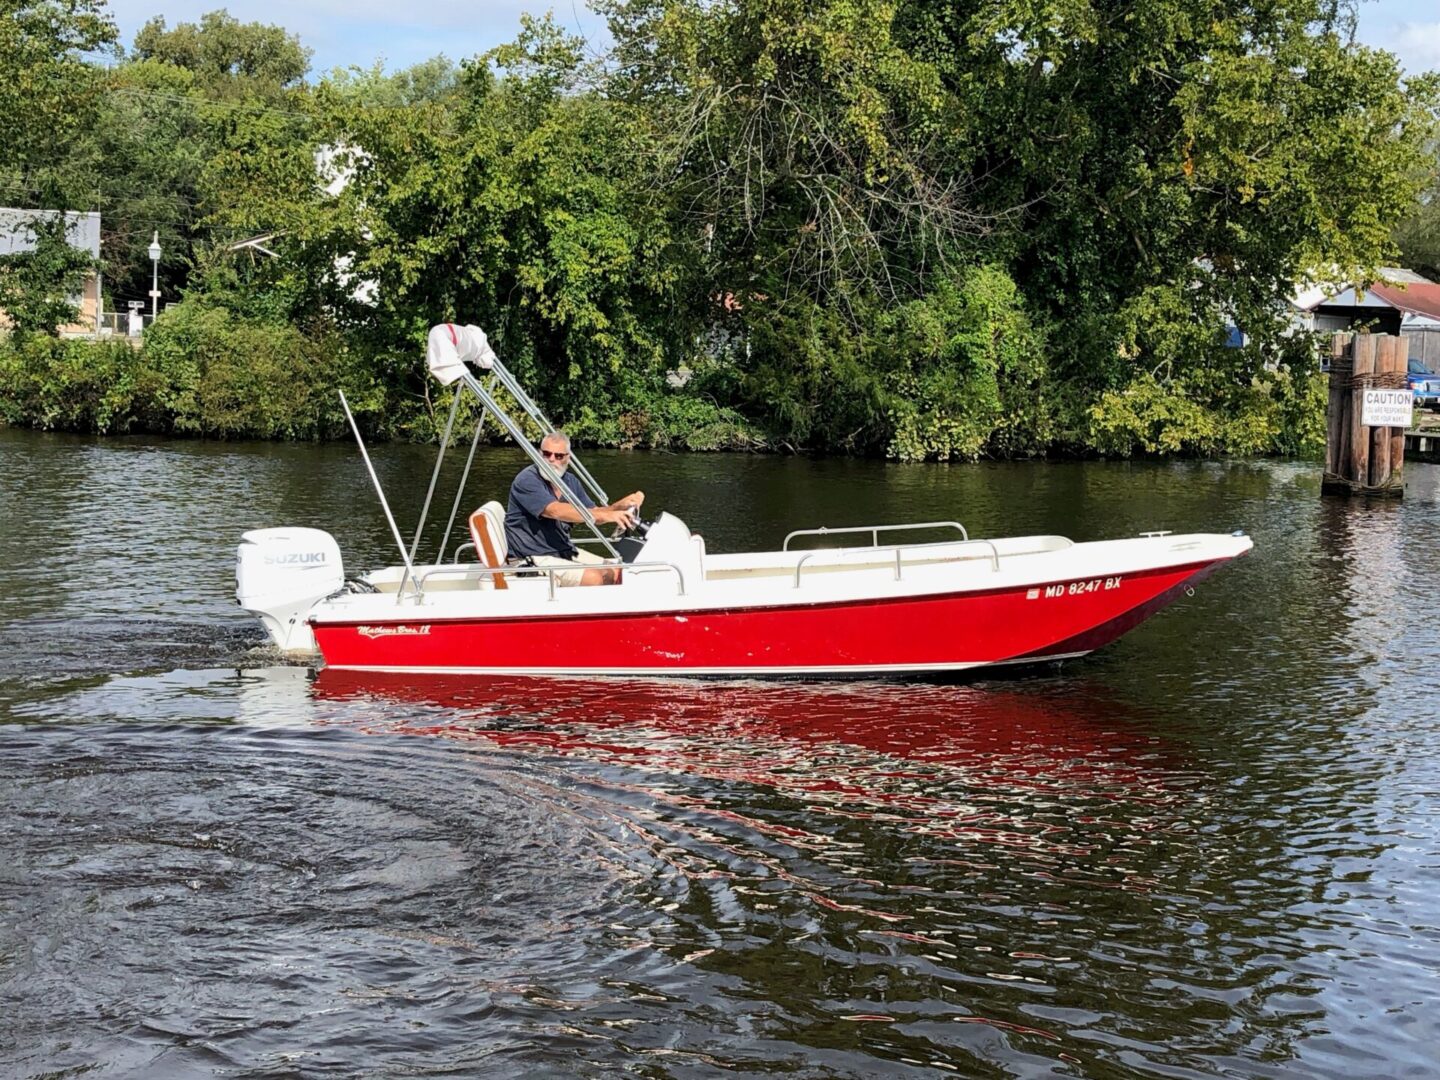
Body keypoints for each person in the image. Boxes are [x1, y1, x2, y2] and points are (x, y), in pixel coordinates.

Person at [503, 431, 644, 586]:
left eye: (558, 456)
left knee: (616, 572)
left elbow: (593, 512)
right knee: (593, 578)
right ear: (539, 454)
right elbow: (555, 510)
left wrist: (618, 507)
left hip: (559, 550)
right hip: (530, 555)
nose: (551, 460)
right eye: (547, 454)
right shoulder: (527, 480)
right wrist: (607, 516)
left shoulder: (570, 481)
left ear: (567, 458)